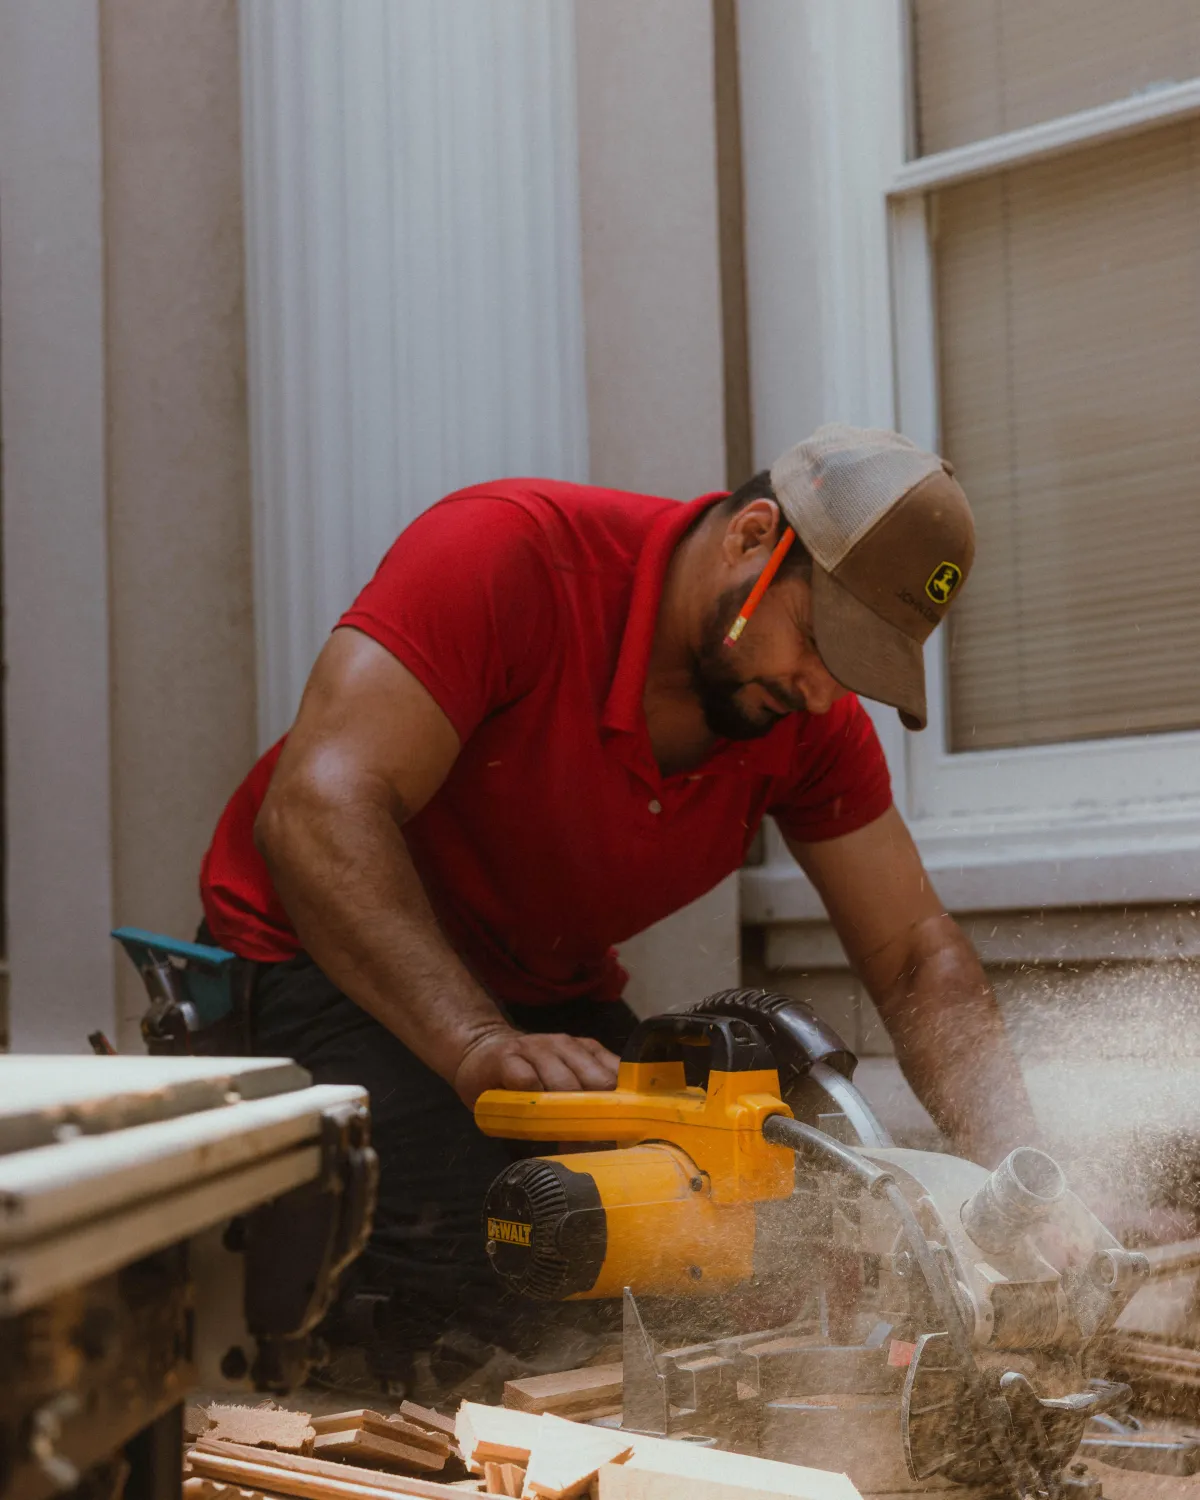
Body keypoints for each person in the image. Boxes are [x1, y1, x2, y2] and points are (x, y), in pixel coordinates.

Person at [199, 424, 1037, 1384]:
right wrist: (475, 1042)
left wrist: (1021, 1177)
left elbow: (912, 953)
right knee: (492, 1260)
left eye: (855, 668)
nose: (818, 690)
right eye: (819, 639)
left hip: (533, 998)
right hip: (309, 964)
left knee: (722, 1246)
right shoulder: (507, 554)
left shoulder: (802, 716)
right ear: (753, 538)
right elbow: (315, 810)